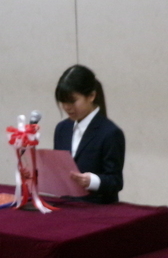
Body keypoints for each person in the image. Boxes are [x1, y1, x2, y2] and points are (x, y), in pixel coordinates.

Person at [53, 65, 125, 204]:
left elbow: (115, 181)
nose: (67, 107)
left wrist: (92, 181)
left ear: (91, 96)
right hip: (66, 206)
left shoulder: (110, 132)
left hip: (97, 209)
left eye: (72, 101)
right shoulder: (62, 129)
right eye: (63, 101)